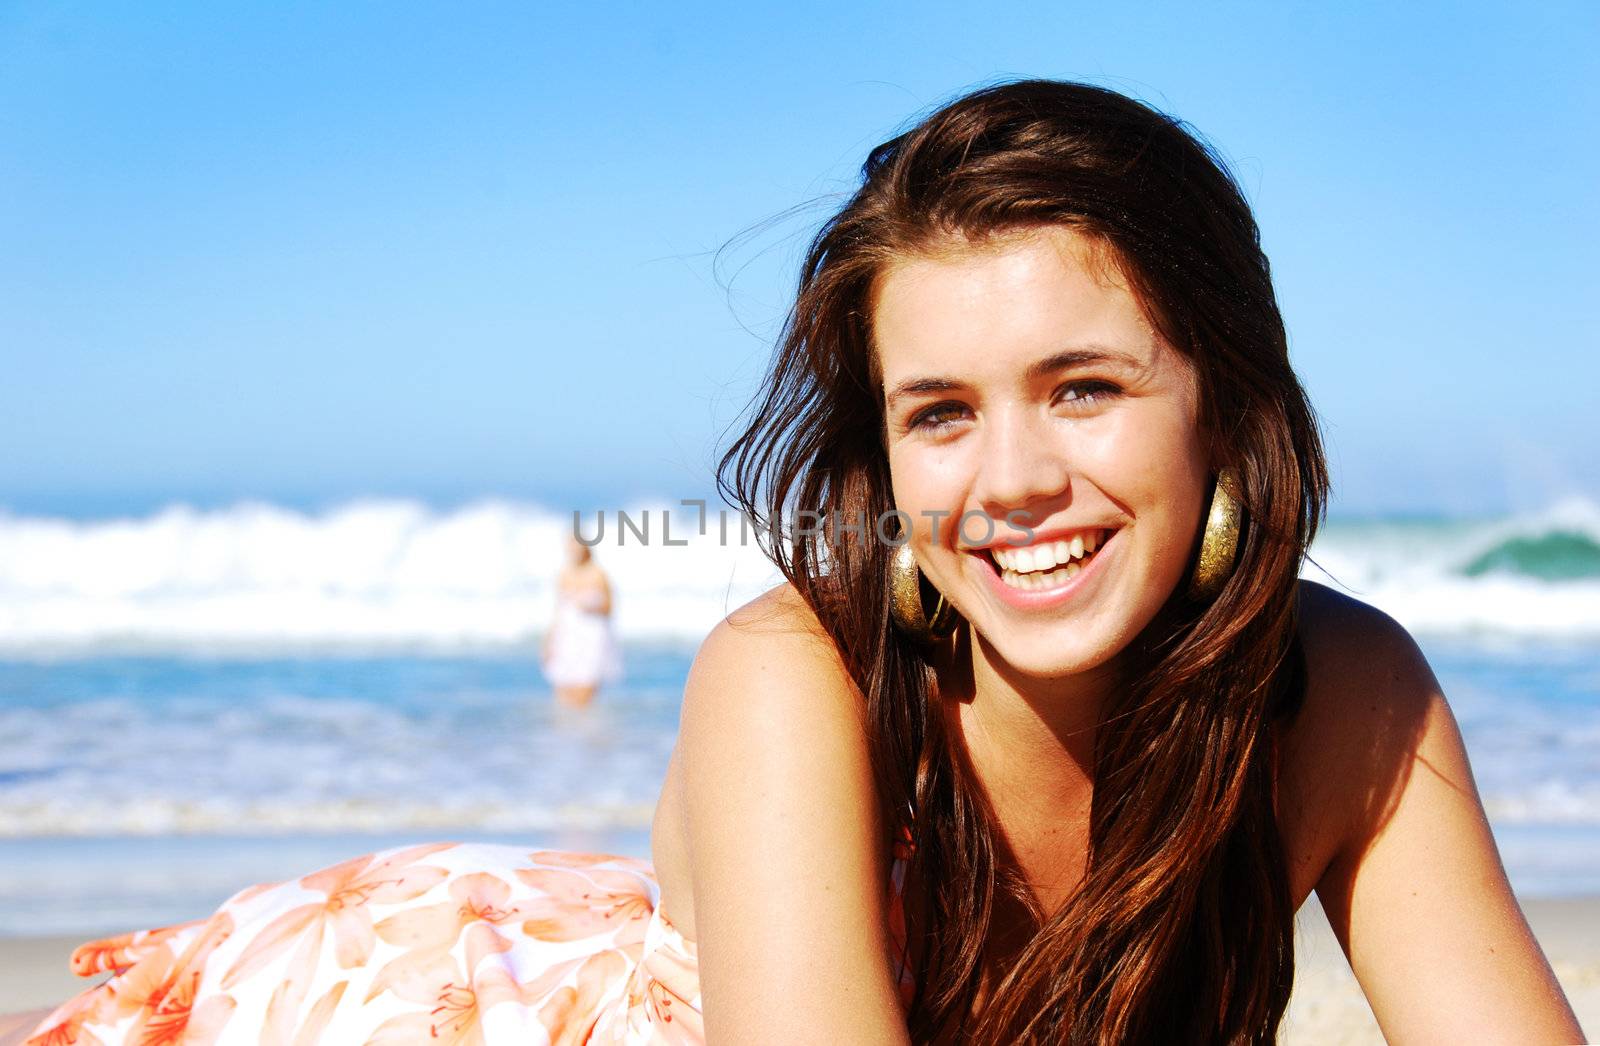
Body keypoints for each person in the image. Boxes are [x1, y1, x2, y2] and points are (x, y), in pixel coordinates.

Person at [7, 79, 1582, 1045]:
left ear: (1224, 403)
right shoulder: (797, 677)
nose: (1016, 481)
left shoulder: (1341, 688)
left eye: (1085, 388)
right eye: (941, 414)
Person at [543, 533, 622, 709]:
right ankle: (567, 731)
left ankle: (584, 730)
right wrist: (548, 642)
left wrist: (589, 608)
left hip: (592, 638)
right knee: (563, 690)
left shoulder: (598, 574)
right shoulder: (564, 574)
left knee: (586, 692)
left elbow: (610, 607)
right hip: (568, 638)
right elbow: (557, 612)